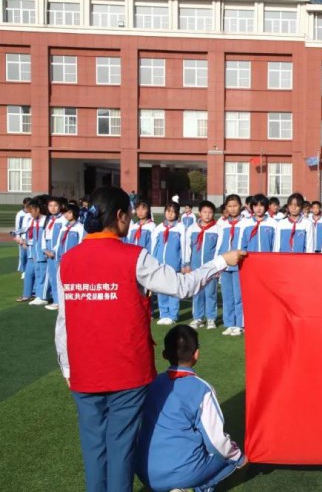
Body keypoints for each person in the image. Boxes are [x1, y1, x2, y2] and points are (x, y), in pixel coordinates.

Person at [55, 186, 245, 492]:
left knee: (94, 448)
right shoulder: (134, 256)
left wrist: (67, 367)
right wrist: (221, 261)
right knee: (121, 448)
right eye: (129, 215)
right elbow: (182, 286)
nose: (131, 220)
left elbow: (63, 321)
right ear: (120, 216)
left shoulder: (69, 259)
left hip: (84, 370)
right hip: (125, 371)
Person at [135, 326, 247, 492]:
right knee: (226, 456)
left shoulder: (153, 383)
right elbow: (216, 441)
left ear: (164, 354)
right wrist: (239, 458)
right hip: (182, 472)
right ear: (196, 354)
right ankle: (193, 488)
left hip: (144, 471)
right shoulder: (201, 389)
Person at [184, 201, 220, 330]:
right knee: (197, 293)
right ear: (199, 213)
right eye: (205, 212)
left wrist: (217, 266)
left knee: (210, 293)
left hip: (211, 268)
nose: (207, 215)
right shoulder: (192, 228)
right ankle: (198, 318)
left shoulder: (217, 229)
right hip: (196, 267)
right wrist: (187, 264)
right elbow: (187, 247)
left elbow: (218, 248)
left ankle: (211, 318)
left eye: (210, 212)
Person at [215, 195, 246, 337]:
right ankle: (229, 323)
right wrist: (217, 262)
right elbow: (219, 244)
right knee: (227, 296)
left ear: (240, 206)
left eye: (235, 206)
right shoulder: (222, 224)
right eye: (229, 206)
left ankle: (240, 324)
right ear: (226, 208)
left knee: (238, 296)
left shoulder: (245, 223)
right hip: (225, 264)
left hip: (239, 265)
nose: (232, 209)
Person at [152, 202, 187, 326]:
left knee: (173, 290)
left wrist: (184, 263)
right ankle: (164, 314)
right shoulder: (159, 227)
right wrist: (153, 261)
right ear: (164, 212)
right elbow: (154, 246)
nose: (170, 214)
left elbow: (184, 246)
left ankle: (173, 315)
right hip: (160, 264)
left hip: (174, 265)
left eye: (173, 212)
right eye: (168, 211)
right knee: (161, 290)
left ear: (177, 214)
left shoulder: (180, 227)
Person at [20, 197, 47, 304]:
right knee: (31, 273)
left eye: (31, 211)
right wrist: (23, 240)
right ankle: (29, 294)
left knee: (41, 274)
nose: (30, 214)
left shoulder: (45, 220)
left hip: (42, 252)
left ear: (37, 209)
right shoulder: (31, 220)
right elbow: (28, 233)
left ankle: (41, 296)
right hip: (33, 251)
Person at [42, 196, 66, 307]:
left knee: (58, 276)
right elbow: (44, 234)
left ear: (60, 206)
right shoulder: (48, 219)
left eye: (55, 205)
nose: (53, 208)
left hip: (56, 251)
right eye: (50, 206)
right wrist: (44, 249)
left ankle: (60, 301)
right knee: (52, 276)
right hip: (48, 249)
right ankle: (56, 300)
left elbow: (61, 237)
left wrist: (54, 251)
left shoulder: (63, 219)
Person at [13, 197, 32, 279]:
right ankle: (23, 271)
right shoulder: (20, 214)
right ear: (24, 204)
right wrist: (18, 237)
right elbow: (18, 226)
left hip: (30, 238)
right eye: (27, 204)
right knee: (23, 255)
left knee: (30, 255)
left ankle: (29, 270)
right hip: (22, 237)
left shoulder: (32, 213)